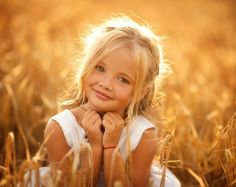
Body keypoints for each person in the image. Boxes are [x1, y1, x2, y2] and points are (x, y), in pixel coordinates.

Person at [23, 15, 181, 187]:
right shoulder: (60, 128)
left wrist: (111, 147)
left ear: (141, 92)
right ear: (86, 66)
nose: (105, 84)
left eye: (123, 79)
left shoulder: (143, 134)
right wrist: (95, 146)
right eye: (99, 68)